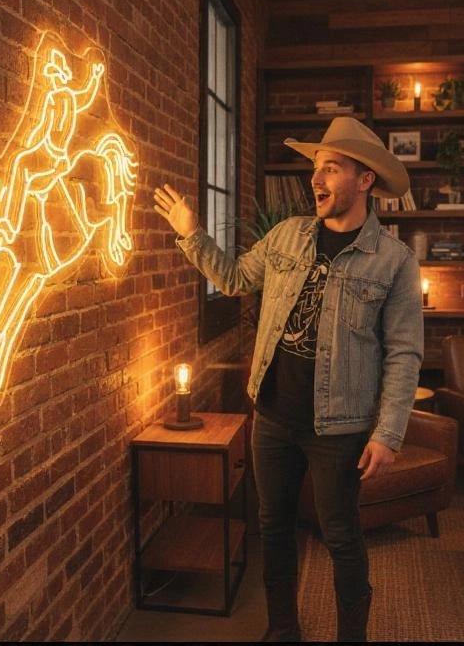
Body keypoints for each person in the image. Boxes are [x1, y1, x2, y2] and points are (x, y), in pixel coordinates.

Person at [152, 117, 422, 642]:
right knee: (272, 531)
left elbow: (405, 355)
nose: (316, 180)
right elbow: (232, 279)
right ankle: (282, 632)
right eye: (315, 169)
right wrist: (190, 232)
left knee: (341, 537)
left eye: (331, 169)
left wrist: (388, 434)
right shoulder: (287, 237)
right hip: (273, 416)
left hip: (339, 427)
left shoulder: (394, 262)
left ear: (365, 180)